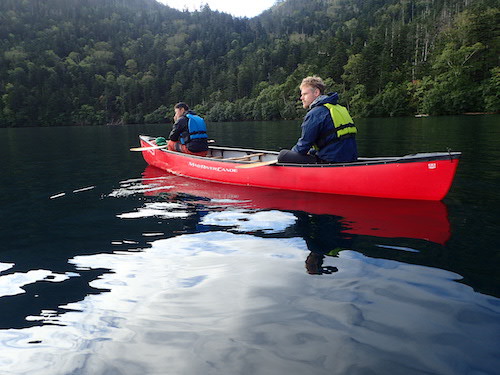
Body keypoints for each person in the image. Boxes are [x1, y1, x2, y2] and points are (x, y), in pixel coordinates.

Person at [278, 76, 358, 164]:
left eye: (305, 94)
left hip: (330, 161)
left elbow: (302, 147)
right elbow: (331, 142)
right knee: (311, 152)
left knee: (283, 155)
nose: (301, 98)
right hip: (350, 159)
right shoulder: (338, 108)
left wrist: (291, 155)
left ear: (316, 92)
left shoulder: (315, 113)